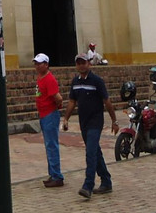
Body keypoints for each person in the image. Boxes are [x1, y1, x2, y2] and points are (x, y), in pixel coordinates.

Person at [62, 53, 119, 199]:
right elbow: (72, 102)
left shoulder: (97, 81)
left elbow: (107, 101)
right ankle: (106, 181)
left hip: (96, 121)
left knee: (90, 152)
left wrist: (114, 121)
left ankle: (88, 185)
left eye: (84, 62)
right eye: (79, 63)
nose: (81, 65)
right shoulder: (75, 82)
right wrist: (66, 119)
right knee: (95, 152)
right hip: (84, 122)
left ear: (89, 64)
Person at [34, 53, 65, 188]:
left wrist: (56, 107)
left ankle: (57, 176)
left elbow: (58, 98)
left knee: (52, 145)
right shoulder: (41, 77)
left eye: (39, 63)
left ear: (46, 64)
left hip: (49, 115)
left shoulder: (49, 79)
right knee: (49, 145)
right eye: (36, 63)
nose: (37, 66)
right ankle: (53, 173)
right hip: (44, 114)